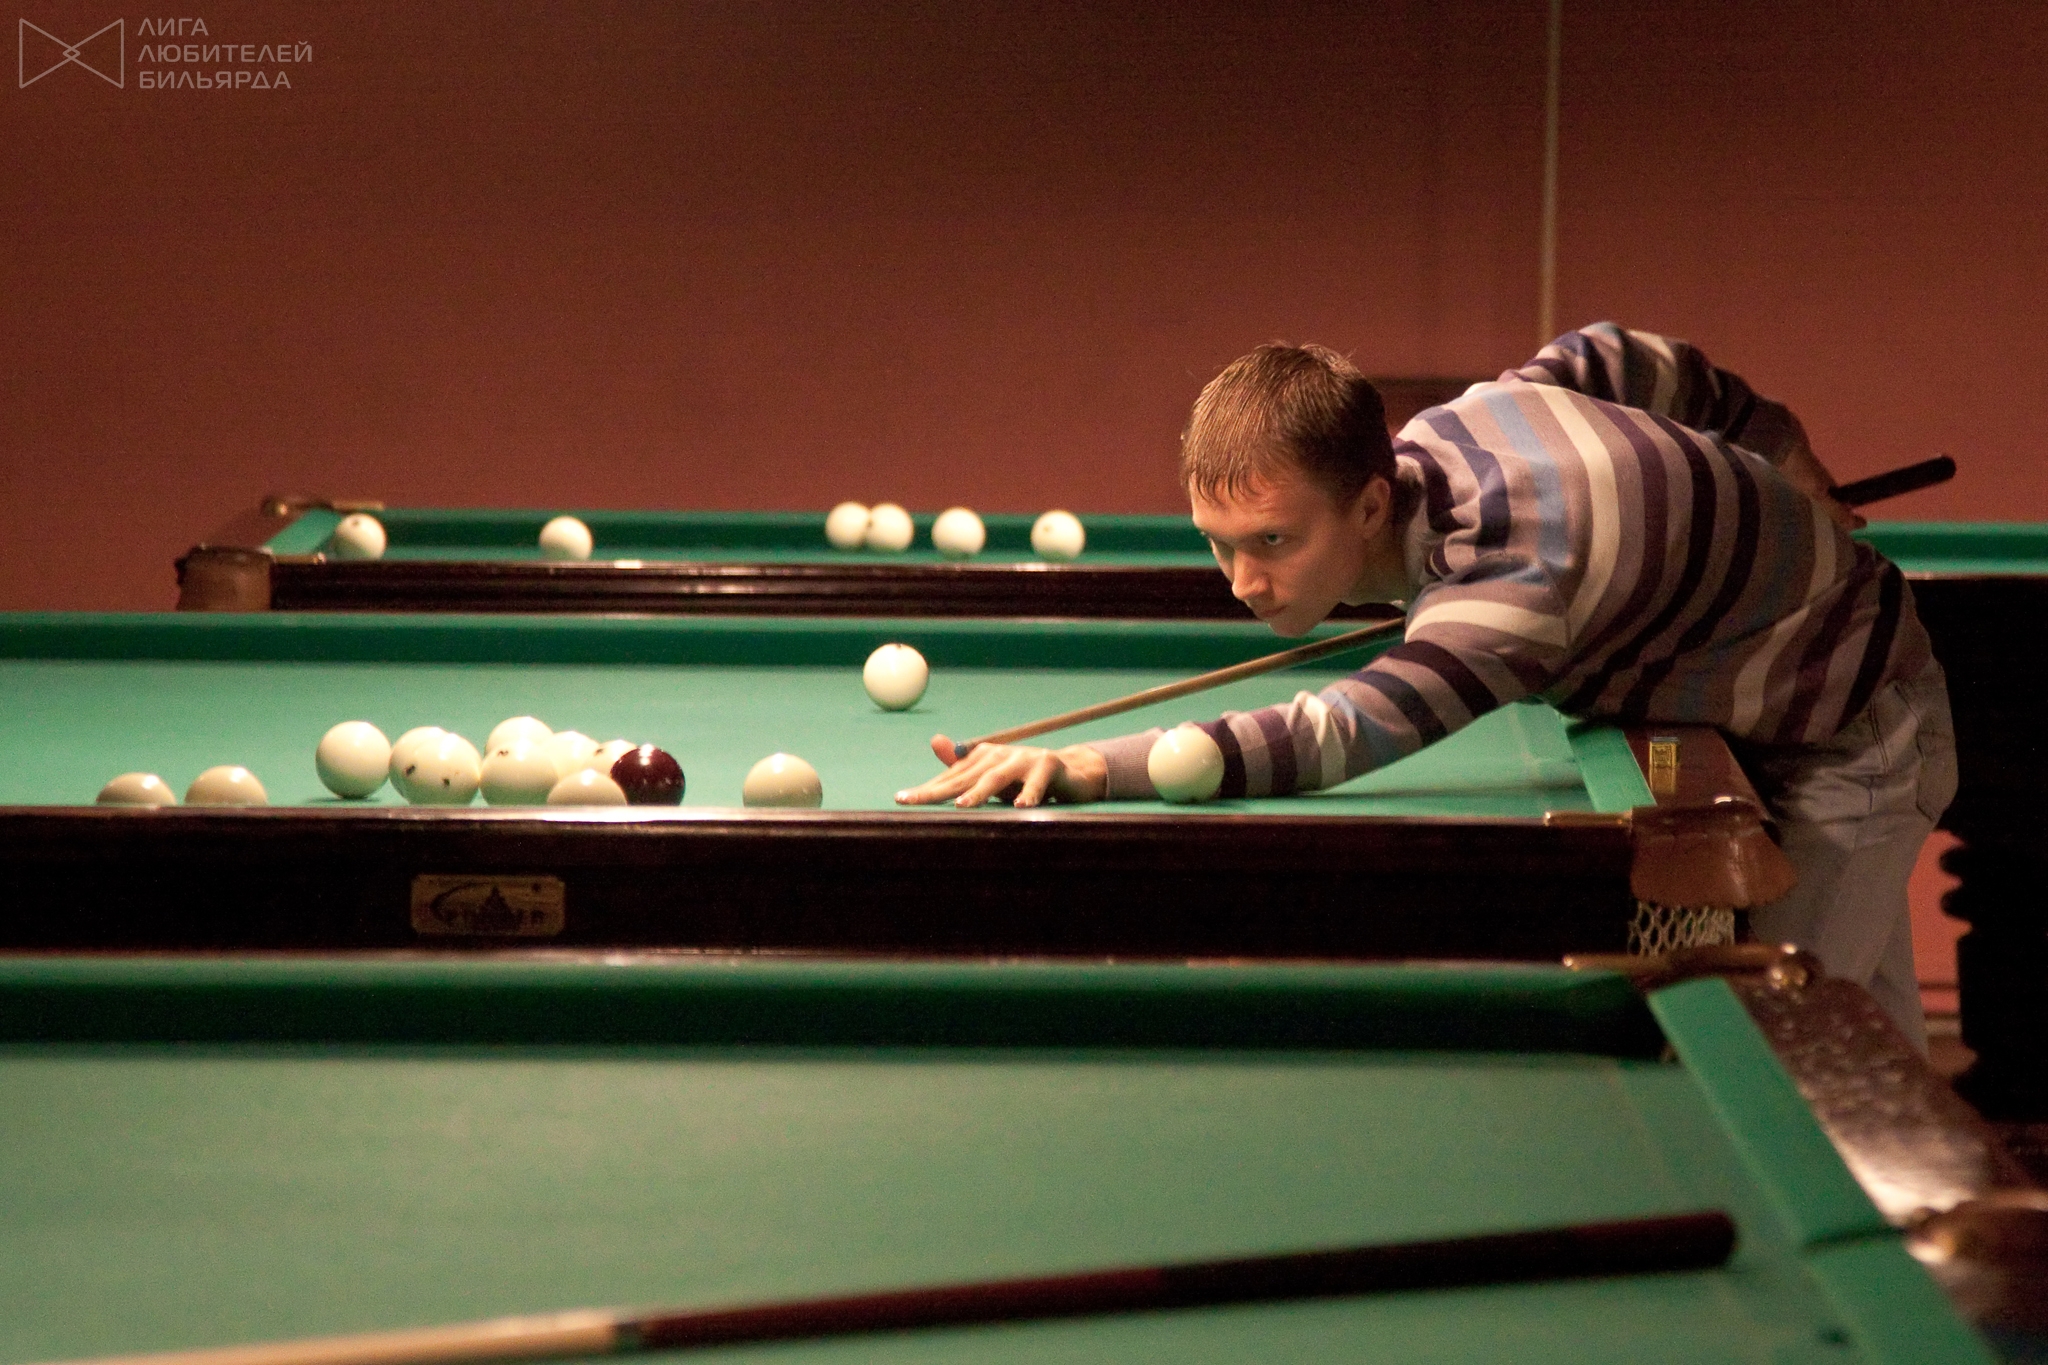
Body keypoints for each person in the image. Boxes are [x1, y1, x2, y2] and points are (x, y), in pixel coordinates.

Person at [896, 323, 1956, 1046]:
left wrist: (1090, 767)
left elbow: (1339, 732)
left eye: (1272, 541)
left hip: (1852, 731)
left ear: (1369, 504)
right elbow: (1624, 355)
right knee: (1875, 1049)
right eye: (1218, 542)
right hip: (1795, 688)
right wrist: (1780, 449)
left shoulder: (1512, 584)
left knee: (1793, 1051)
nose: (1242, 582)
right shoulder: (1467, 419)